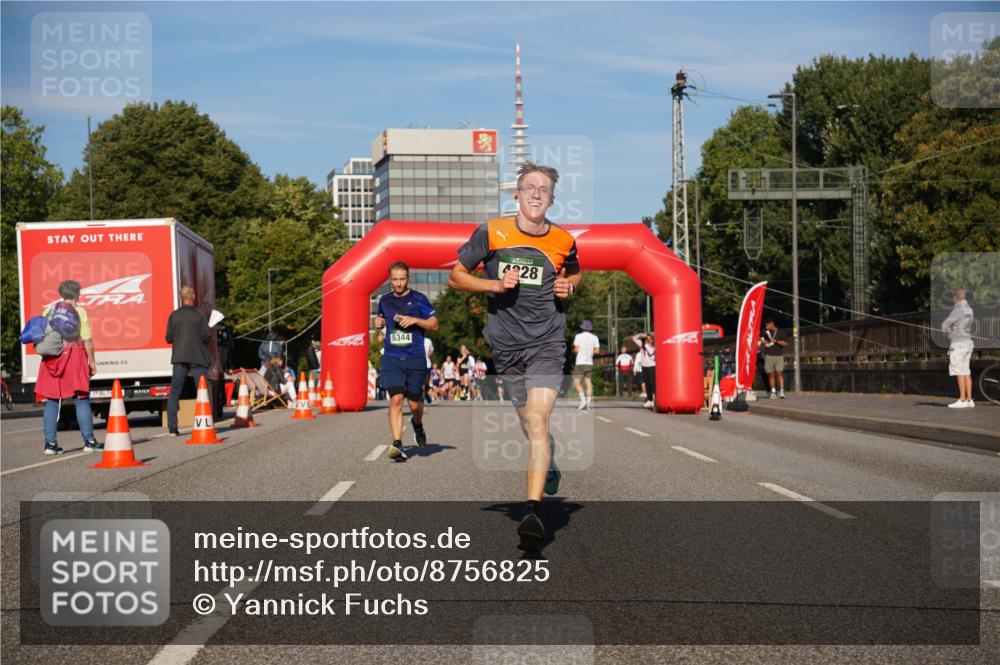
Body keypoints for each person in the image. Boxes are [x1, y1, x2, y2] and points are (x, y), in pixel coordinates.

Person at [448, 161, 582, 552]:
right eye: (529, 187)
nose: (536, 193)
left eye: (544, 188)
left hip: (547, 341)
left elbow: (576, 274)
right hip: (506, 346)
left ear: (552, 198)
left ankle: (533, 513)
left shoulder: (563, 240)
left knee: (538, 420)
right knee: (528, 422)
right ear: (517, 194)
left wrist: (568, 287)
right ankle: (550, 459)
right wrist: (493, 283)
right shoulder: (492, 232)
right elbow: (456, 277)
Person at [375, 261, 439, 460]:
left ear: (408, 278)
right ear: (390, 279)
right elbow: (381, 322)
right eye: (395, 279)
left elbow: (435, 325)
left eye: (402, 279)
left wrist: (416, 320)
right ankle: (397, 444)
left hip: (415, 358)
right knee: (395, 399)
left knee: (413, 405)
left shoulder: (419, 299)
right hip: (392, 357)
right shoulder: (384, 300)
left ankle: (417, 425)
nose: (399, 283)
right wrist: (378, 324)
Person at [35, 280, 102, 455]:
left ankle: (50, 445)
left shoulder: (49, 310)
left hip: (52, 359)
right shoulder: (80, 311)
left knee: (52, 401)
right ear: (77, 295)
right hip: (74, 356)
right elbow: (86, 339)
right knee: (81, 398)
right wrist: (92, 361)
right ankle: (89, 441)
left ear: (61, 293)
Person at [165, 286, 212, 435]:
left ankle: (173, 427)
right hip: (198, 357)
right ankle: (205, 423)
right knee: (203, 391)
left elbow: (169, 338)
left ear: (181, 297)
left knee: (175, 392)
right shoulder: (200, 315)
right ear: (193, 296)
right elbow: (207, 337)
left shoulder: (174, 315)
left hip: (179, 357)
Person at [943, 288, 975, 408]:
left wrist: (949, 331)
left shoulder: (957, 310)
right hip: (968, 342)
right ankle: (969, 399)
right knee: (966, 371)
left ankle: (961, 400)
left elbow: (945, 325)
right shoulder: (969, 310)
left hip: (958, 344)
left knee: (959, 371)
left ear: (955, 298)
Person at [572, 320, 600, 410]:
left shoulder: (578, 336)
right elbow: (597, 351)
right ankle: (588, 403)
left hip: (580, 362)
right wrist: (590, 352)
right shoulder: (595, 337)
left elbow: (576, 349)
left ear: (582, 327)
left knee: (576, 382)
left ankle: (583, 400)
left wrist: (575, 351)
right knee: (588, 383)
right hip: (589, 362)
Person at [759, 320, 788, 399]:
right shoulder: (765, 332)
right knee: (771, 375)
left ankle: (782, 391)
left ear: (772, 324)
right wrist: (763, 341)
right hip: (768, 356)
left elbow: (786, 343)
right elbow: (762, 340)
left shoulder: (780, 332)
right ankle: (773, 391)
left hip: (779, 356)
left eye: (767, 325)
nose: (766, 327)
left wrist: (776, 341)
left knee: (779, 373)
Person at [632, 332, 656, 408]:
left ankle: (656, 399)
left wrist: (645, 344)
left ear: (652, 339)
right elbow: (634, 338)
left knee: (653, 384)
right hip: (644, 366)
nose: (648, 339)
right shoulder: (643, 344)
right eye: (647, 337)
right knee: (647, 384)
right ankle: (650, 400)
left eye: (649, 338)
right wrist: (640, 335)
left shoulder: (653, 346)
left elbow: (651, 353)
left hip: (652, 366)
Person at [423, 336, 435, 404]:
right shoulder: (414, 338)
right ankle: (419, 397)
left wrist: (429, 354)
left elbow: (432, 349)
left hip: (427, 363)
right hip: (417, 363)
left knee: (426, 383)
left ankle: (426, 394)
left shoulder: (428, 340)